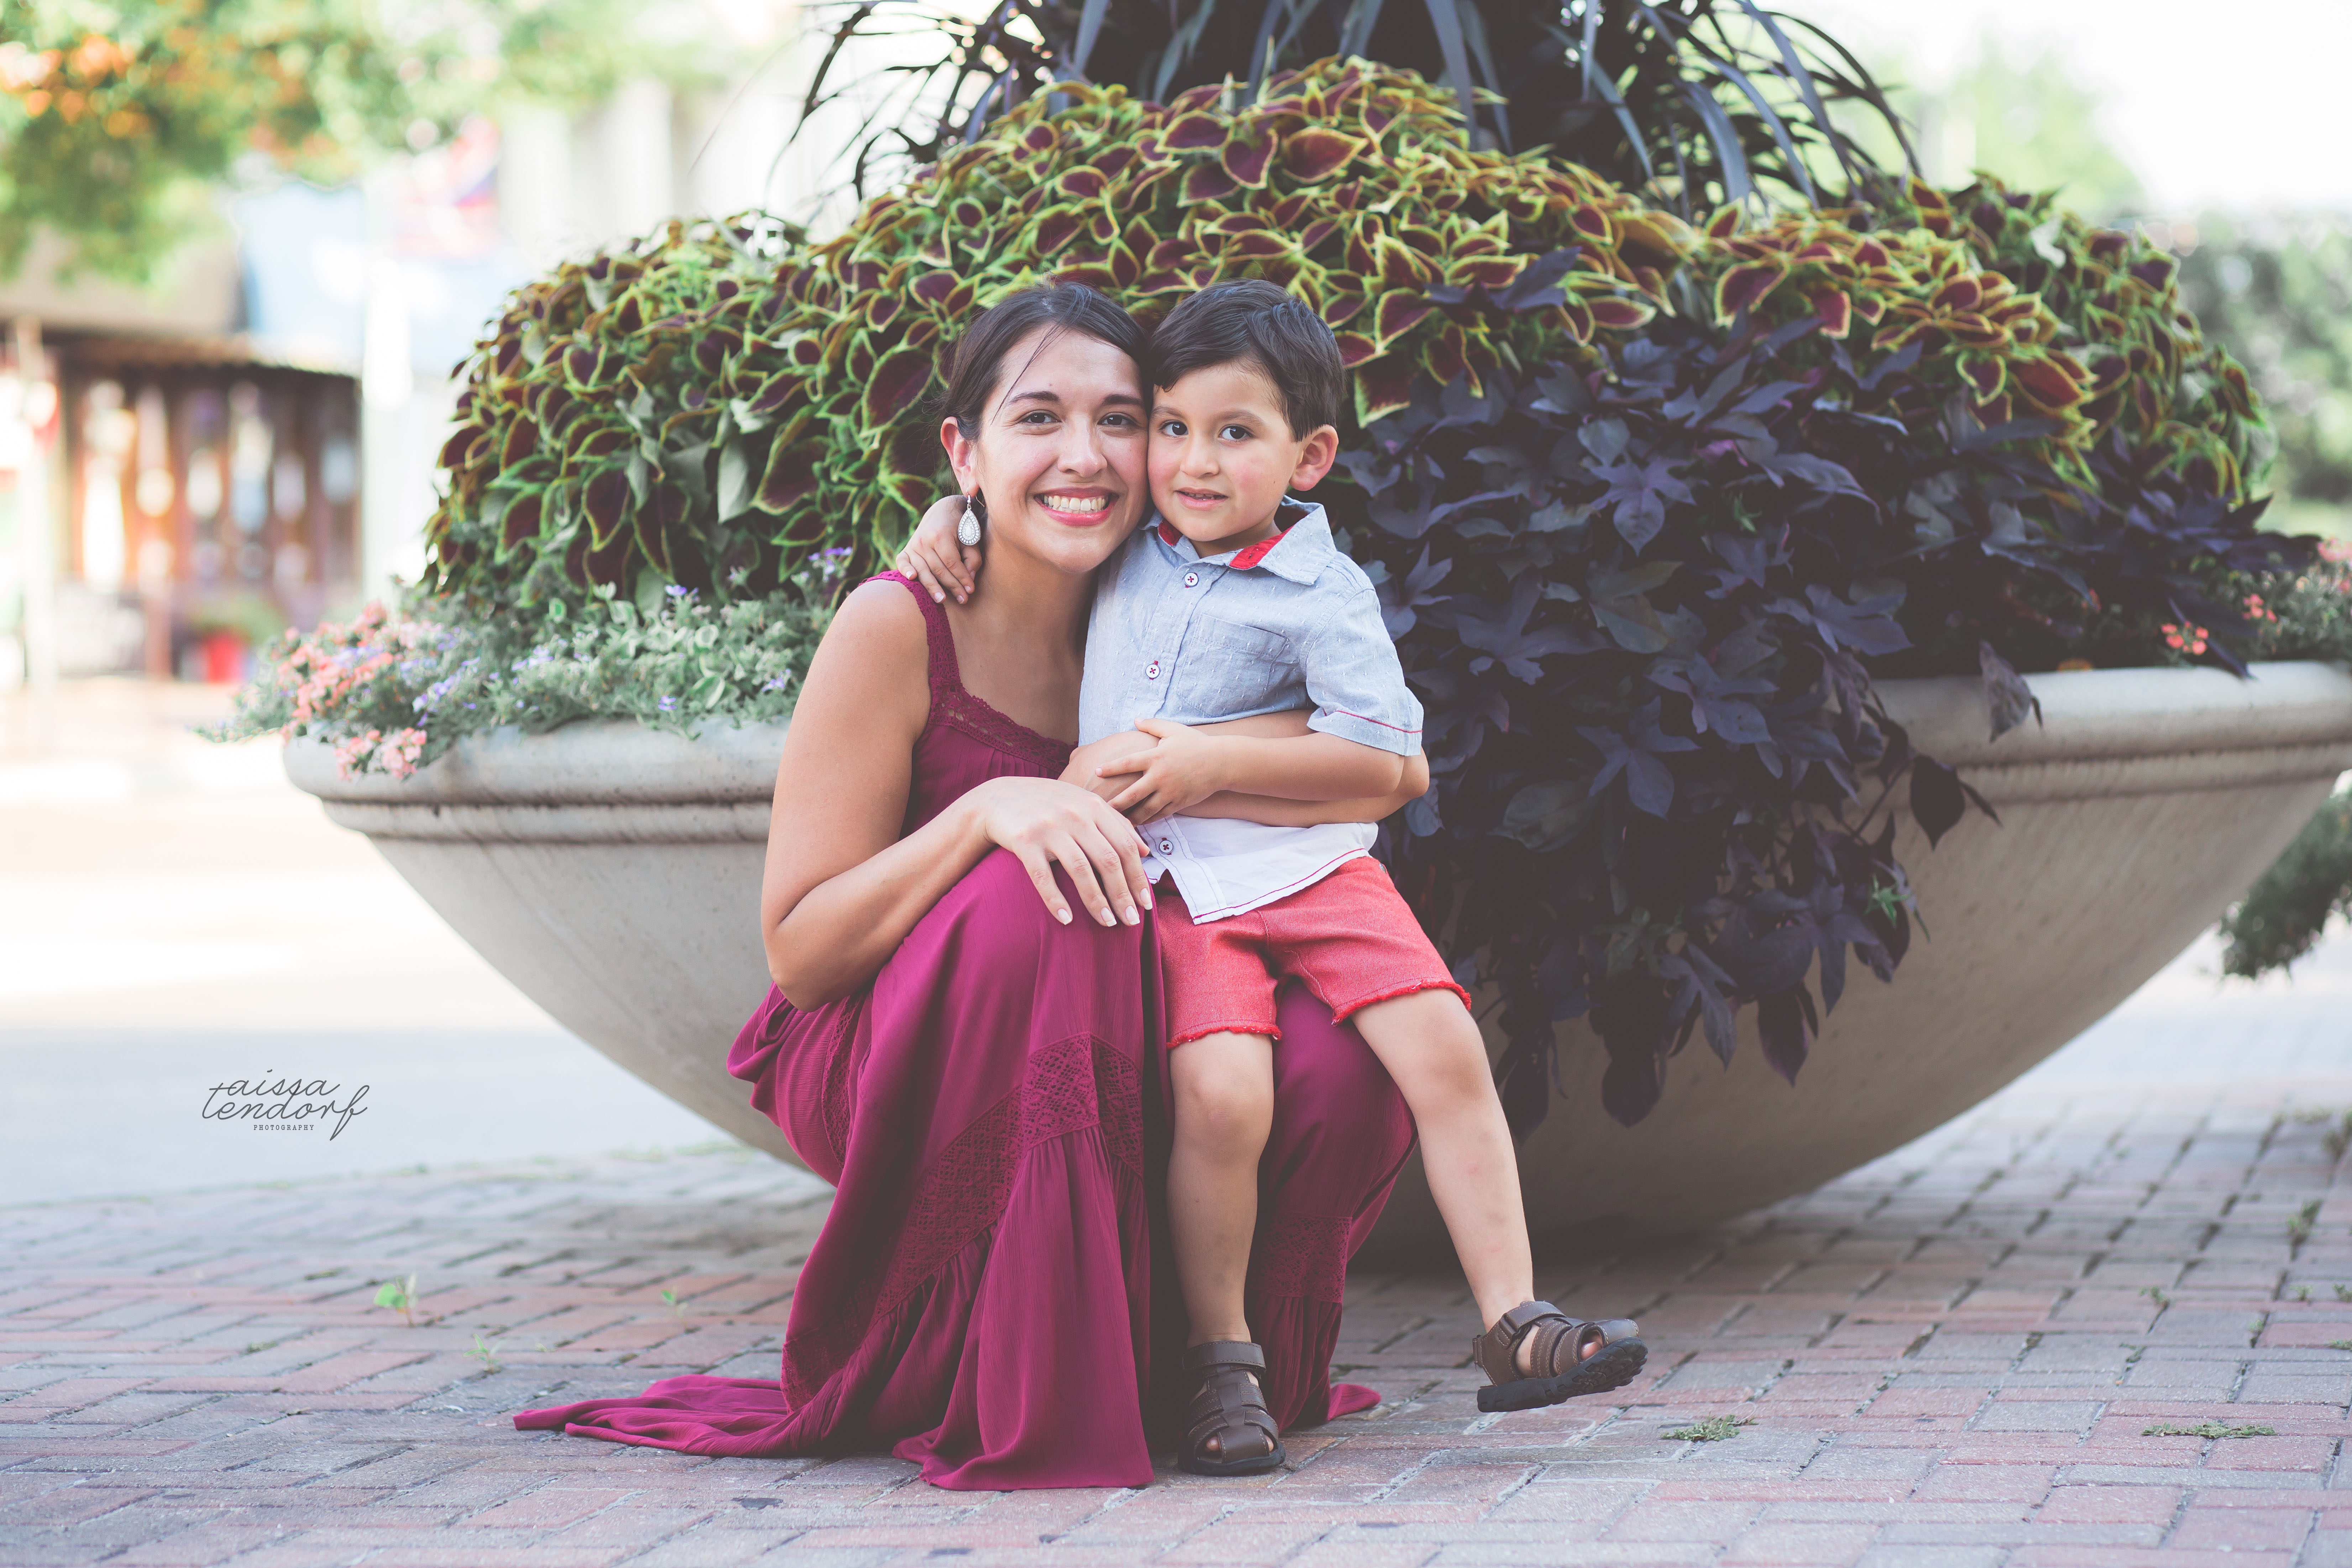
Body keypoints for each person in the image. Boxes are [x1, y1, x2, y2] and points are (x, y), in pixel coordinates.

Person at [513, 283, 1423, 1490]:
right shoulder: (897, 625)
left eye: (1122, 420)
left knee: (1343, 1048)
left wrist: (1189, 758)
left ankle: (1224, 1372)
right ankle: (1041, 1374)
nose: (1085, 456)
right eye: (1038, 419)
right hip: (885, 1034)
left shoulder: (1169, 601)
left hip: (1137, 1014)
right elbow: (800, 955)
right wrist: (988, 812)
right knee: (1052, 880)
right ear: (965, 449)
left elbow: (1372, 756)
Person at [895, 280, 1645, 1477]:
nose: (1194, 462)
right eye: (1173, 428)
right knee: (1225, 1096)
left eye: (1235, 434)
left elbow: (1385, 762)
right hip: (1182, 891)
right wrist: (951, 515)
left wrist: (1207, 764)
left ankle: (1516, 1320)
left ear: (1310, 457)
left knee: (1446, 1048)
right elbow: (1033, 503)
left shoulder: (1322, 594)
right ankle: (1221, 1360)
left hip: (1312, 870)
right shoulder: (1129, 547)